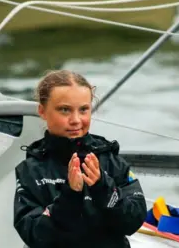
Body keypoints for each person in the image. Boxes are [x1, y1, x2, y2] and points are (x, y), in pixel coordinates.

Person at [13, 70, 147, 248]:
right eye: (65, 110)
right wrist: (69, 197)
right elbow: (35, 235)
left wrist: (103, 188)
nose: (75, 120)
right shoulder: (30, 170)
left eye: (83, 109)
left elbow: (133, 220)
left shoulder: (111, 161)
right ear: (42, 111)